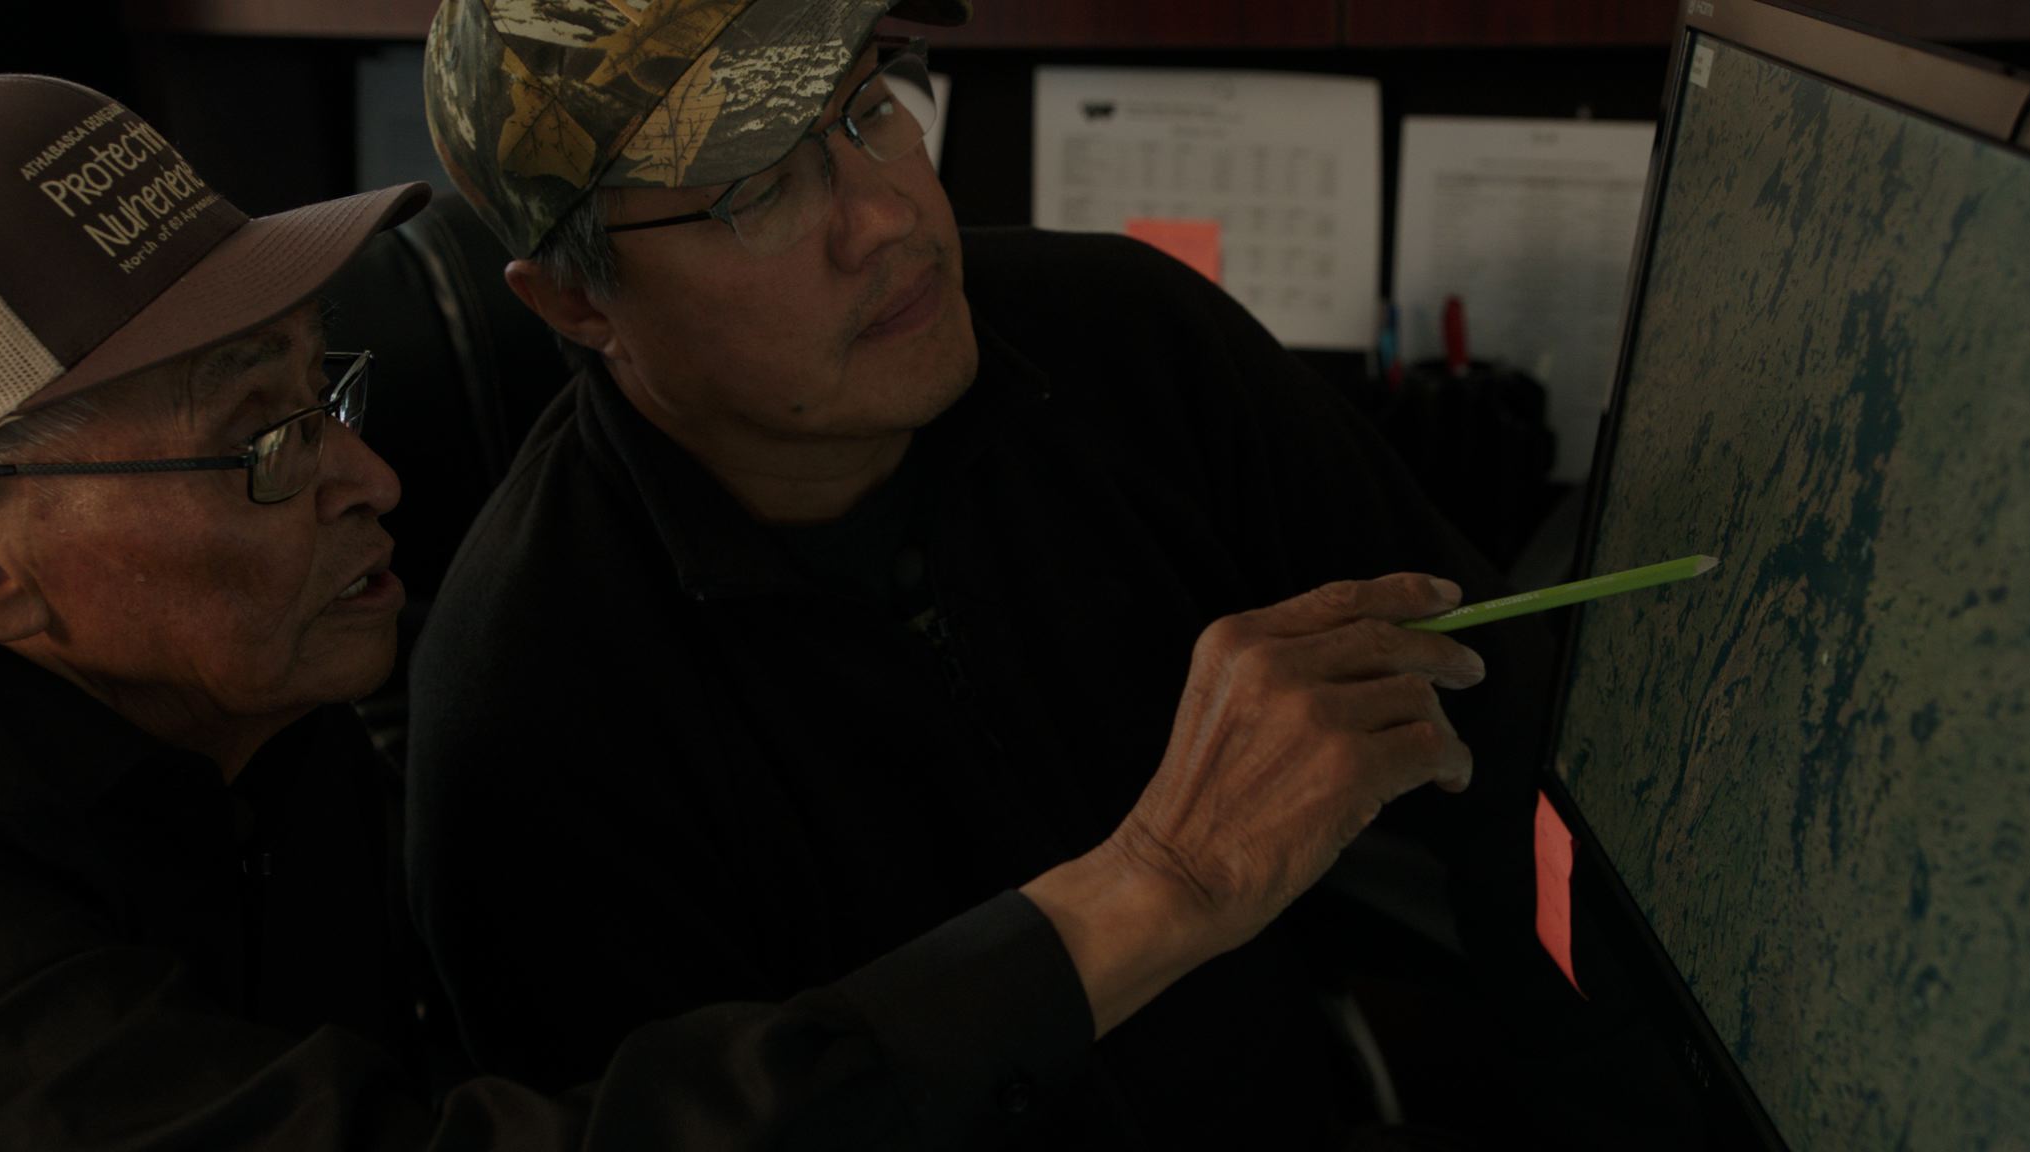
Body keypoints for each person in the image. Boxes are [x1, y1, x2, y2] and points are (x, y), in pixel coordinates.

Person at [0, 72, 1504, 1150]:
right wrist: (1155, 885)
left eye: (328, 389)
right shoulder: (521, 706)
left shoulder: (269, 730)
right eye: (263, 442)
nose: (372, 478)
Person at [409, 0, 1559, 1146]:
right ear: (573, 300)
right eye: (754, 190)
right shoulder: (530, 697)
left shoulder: (1129, 338)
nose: (884, 215)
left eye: (867, 108)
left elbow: (1503, 724)